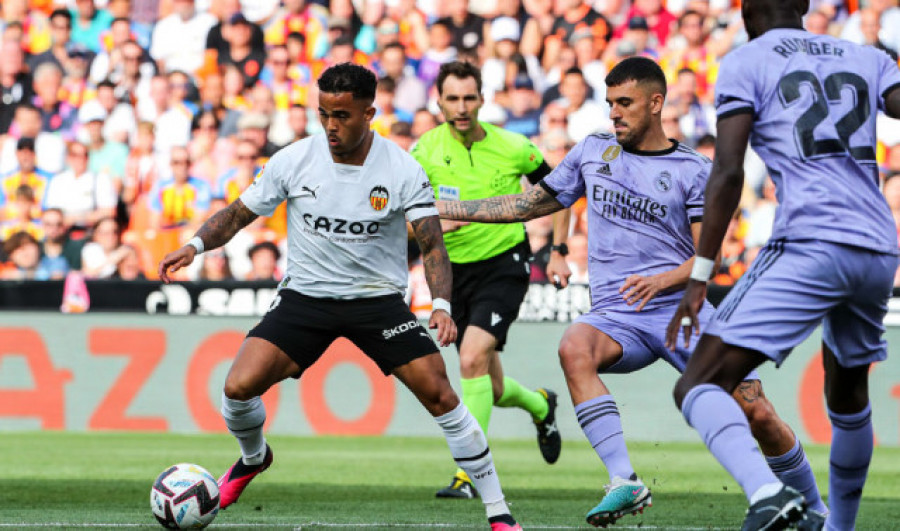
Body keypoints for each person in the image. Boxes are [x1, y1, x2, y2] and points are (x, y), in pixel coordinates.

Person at [437, 56, 825, 529]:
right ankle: (624, 479)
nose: (614, 113)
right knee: (574, 347)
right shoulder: (592, 152)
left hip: (680, 310)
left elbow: (712, 257)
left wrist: (664, 279)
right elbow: (525, 204)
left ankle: (815, 509)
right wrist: (444, 207)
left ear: (656, 103)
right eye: (610, 104)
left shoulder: (691, 169)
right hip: (619, 316)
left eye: (625, 103)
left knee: (756, 409)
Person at [156, 63, 523, 531]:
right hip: (306, 298)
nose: (331, 125)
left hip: (378, 302)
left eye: (343, 115)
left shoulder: (401, 168)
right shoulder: (294, 160)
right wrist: (194, 246)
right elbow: (236, 214)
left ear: (369, 113)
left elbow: (431, 244)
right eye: (324, 113)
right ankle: (253, 458)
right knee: (237, 388)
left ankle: (498, 510)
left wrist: (443, 307)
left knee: (441, 393)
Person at [666, 0, 900, 529]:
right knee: (848, 394)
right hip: (878, 247)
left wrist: (699, 276)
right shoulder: (865, 57)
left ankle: (769, 493)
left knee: (697, 384)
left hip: (812, 240)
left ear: (747, 15)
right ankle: (839, 527)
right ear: (803, 6)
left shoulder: (747, 61)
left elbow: (726, 173)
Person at [411, 61, 561, 500]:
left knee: (472, 355)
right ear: (438, 101)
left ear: (482, 99)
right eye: (452, 99)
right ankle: (540, 404)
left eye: (469, 98)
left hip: (504, 262)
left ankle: (468, 474)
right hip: (453, 274)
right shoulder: (422, 153)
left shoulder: (514, 146)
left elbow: (560, 190)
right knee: (490, 387)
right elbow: (401, 219)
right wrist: (432, 227)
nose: (461, 107)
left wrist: (559, 250)